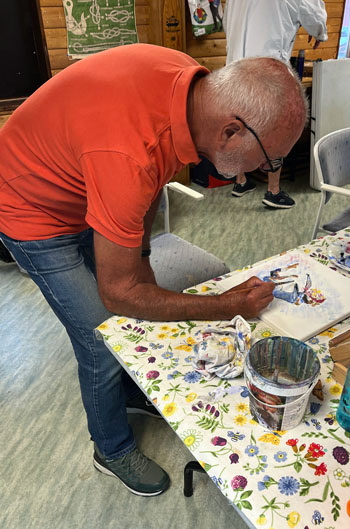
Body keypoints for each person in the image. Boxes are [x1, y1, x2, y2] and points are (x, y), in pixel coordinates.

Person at [0, 44, 307, 497]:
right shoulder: (128, 153)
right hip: (28, 207)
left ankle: (126, 392)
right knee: (101, 335)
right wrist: (225, 305)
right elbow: (118, 292)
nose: (267, 169)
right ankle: (110, 449)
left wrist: (142, 253)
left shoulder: (193, 90)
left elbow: (149, 183)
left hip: (84, 183)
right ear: (231, 131)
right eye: (268, 159)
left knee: (131, 304)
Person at [223, 0, 328, 209]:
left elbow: (228, 24)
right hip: (266, 72)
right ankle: (273, 191)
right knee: (277, 132)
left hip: (234, 70)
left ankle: (240, 182)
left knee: (239, 127)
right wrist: (319, 33)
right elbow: (315, 17)